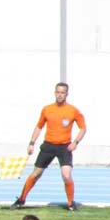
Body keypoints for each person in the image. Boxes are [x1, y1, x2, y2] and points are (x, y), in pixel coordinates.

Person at [10, 82, 86, 212]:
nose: (60, 95)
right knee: (35, 174)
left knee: (66, 175)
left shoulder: (73, 110)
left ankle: (70, 204)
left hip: (64, 147)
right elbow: (39, 127)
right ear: (55, 93)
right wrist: (32, 143)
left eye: (62, 93)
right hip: (48, 146)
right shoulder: (47, 109)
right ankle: (21, 200)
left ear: (67, 94)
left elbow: (83, 128)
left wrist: (75, 142)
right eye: (58, 92)